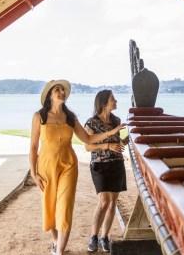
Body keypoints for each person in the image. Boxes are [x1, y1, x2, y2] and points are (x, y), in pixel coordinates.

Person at [30, 80, 125, 255]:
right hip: (46, 165)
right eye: (57, 90)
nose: (61, 92)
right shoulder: (39, 117)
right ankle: (55, 241)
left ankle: (59, 251)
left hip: (68, 164)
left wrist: (112, 133)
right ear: (50, 95)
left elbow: (88, 139)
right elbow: (33, 147)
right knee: (50, 206)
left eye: (63, 90)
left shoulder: (71, 117)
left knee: (65, 207)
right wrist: (34, 174)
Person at [84, 90, 128, 253]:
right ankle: (93, 237)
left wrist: (124, 135)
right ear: (104, 103)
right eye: (113, 99)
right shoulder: (91, 123)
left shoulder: (117, 120)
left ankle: (105, 236)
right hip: (100, 165)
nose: (116, 101)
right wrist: (107, 145)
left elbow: (123, 140)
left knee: (112, 203)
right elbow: (88, 146)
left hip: (117, 163)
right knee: (104, 201)